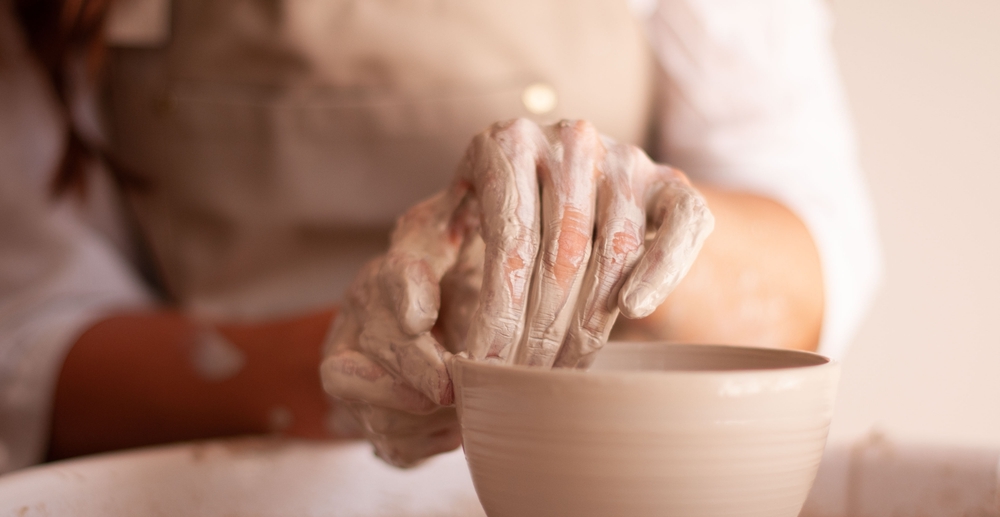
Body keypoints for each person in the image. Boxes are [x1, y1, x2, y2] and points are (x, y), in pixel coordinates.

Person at [0, 0, 881, 473]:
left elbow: (814, 275)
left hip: (606, 507)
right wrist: (337, 370)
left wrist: (639, 236)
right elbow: (29, 346)